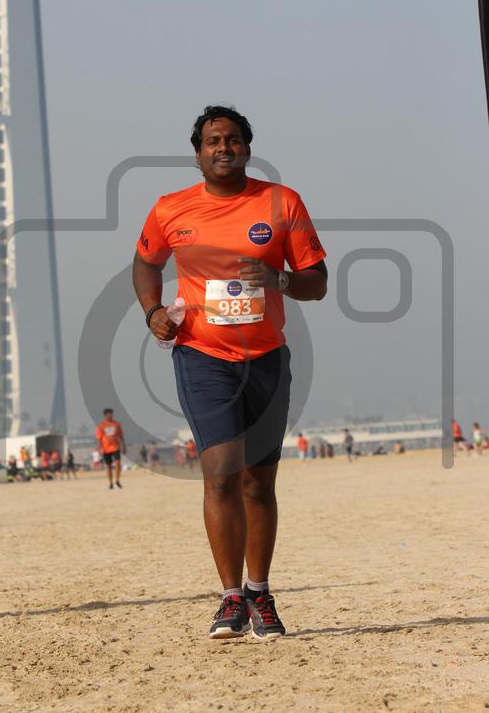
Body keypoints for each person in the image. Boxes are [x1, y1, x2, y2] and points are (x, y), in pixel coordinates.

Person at [133, 106, 327, 639]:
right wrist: (153, 311)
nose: (224, 148)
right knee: (220, 473)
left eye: (234, 139)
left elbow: (317, 282)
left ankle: (260, 593)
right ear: (197, 153)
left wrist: (277, 278)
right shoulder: (170, 209)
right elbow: (146, 262)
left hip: (266, 358)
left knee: (257, 482)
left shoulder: (282, 203)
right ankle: (230, 598)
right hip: (202, 354)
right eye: (214, 141)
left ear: (247, 148)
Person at [95, 408, 127, 489]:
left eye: (112, 414)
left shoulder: (117, 424)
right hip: (106, 449)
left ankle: (117, 481)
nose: (111, 416)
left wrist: (124, 446)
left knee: (118, 463)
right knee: (108, 466)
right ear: (105, 415)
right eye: (109, 414)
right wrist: (100, 448)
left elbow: (120, 435)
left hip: (116, 447)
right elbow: (99, 438)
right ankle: (110, 483)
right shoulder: (101, 425)